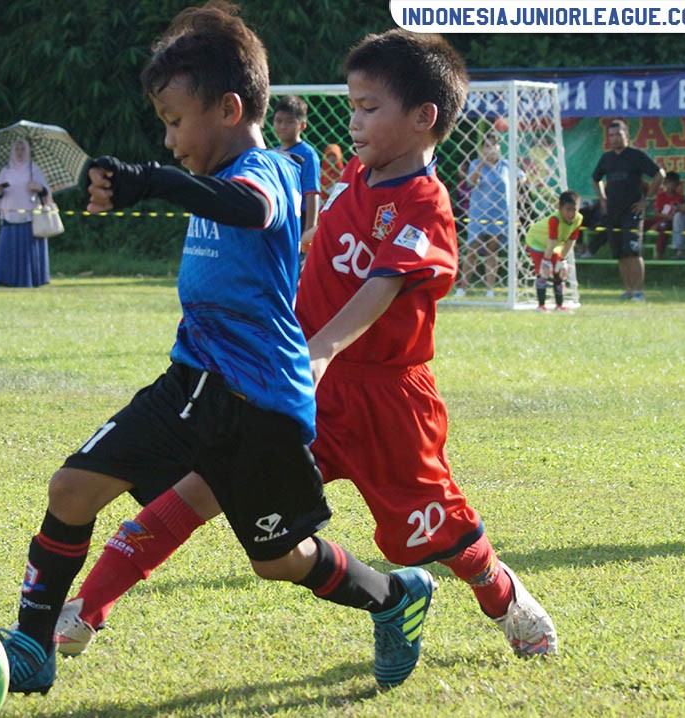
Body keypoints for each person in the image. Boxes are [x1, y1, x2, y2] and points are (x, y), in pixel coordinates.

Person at [54, 28, 558, 668]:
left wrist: (319, 350)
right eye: (353, 105)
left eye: (369, 107)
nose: (354, 121)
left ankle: (502, 594)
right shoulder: (351, 178)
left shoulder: (426, 204)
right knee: (198, 489)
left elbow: (380, 288)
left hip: (386, 405)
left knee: (433, 531)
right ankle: (85, 610)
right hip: (294, 388)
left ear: (423, 118)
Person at [0, 3, 434, 696]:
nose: (169, 140)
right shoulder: (211, 177)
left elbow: (249, 207)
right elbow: (211, 199)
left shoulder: (272, 171)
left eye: (175, 122)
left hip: (259, 406)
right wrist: (154, 182)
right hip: (190, 383)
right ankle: (31, 646)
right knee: (71, 489)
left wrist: (152, 181)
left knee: (279, 559)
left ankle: (393, 596)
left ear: (229, 109)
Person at [591, 119, 664, 301]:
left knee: (633, 252)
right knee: (620, 253)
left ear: (626, 135)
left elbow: (659, 174)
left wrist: (647, 200)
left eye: (618, 134)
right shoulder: (606, 158)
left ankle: (639, 292)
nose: (615, 138)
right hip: (613, 212)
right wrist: (603, 199)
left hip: (632, 212)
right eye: (611, 135)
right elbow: (595, 178)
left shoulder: (636, 156)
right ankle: (629, 290)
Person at [454, 132, 516, 299]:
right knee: (472, 248)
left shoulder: (506, 165)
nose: (491, 149)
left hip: (499, 214)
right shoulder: (476, 164)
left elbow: (522, 179)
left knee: (491, 250)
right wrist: (482, 163)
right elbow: (470, 182)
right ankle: (462, 288)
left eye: (494, 145)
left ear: (499, 147)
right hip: (479, 213)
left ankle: (490, 289)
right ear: (482, 149)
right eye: (487, 146)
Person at [0, 137, 52, 287]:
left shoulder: (34, 169)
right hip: (9, 215)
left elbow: (46, 192)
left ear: (28, 151)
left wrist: (38, 188)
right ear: (12, 151)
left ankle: (31, 280)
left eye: (23, 149)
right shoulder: (6, 171)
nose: (19, 152)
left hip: (29, 217)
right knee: (5, 249)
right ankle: (1, 280)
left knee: (27, 251)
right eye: (17, 149)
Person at [271, 95, 322, 244]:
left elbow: (312, 193)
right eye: (279, 121)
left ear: (303, 125)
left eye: (289, 121)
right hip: (279, 217)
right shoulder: (273, 153)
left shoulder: (307, 154)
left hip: (299, 217)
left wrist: (309, 228)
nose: (283, 126)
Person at [524, 190, 583, 312]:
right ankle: (541, 306)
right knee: (544, 272)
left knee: (560, 272)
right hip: (537, 242)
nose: (571, 213)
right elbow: (552, 240)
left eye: (574, 209)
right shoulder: (554, 220)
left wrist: (562, 259)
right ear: (559, 208)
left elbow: (571, 240)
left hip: (554, 245)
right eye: (568, 209)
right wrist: (546, 260)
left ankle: (559, 306)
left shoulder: (578, 219)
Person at [646, 171, 684, 258]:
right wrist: (658, 222)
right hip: (658, 220)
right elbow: (656, 213)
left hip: (669, 223)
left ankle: (658, 254)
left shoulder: (679, 198)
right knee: (640, 224)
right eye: (667, 183)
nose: (669, 186)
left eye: (672, 183)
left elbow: (675, 216)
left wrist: (661, 221)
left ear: (677, 184)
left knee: (663, 228)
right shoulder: (661, 196)